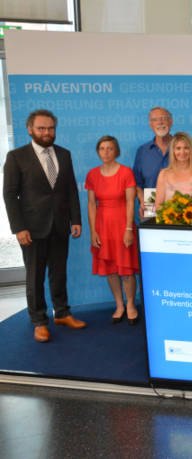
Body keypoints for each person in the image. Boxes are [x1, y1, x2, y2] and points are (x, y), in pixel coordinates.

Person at [3, 109, 84, 342]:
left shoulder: (64, 154)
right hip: (32, 228)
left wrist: (75, 220)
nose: (47, 132)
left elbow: (70, 190)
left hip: (60, 225)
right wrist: (19, 228)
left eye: (50, 128)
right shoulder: (17, 156)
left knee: (59, 273)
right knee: (35, 276)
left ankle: (62, 313)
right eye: (41, 128)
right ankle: (39, 321)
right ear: (30, 129)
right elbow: (9, 195)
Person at [85, 136, 139, 325]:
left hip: (123, 226)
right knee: (110, 269)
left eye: (109, 148)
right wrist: (93, 231)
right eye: (101, 148)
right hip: (102, 227)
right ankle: (119, 305)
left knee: (126, 269)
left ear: (116, 151)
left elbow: (131, 202)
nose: (105, 152)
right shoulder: (92, 174)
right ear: (98, 151)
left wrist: (128, 229)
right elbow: (92, 204)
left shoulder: (126, 172)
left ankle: (131, 305)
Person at [133, 107, 173, 219]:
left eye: (164, 118)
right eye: (155, 119)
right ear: (150, 125)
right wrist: (142, 200)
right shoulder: (142, 151)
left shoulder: (182, 149)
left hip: (178, 209)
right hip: (150, 208)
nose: (160, 122)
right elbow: (137, 182)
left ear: (171, 122)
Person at [155, 133, 192, 205]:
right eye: (178, 148)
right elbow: (159, 205)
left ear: (191, 150)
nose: (182, 152)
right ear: (173, 151)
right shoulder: (163, 173)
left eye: (186, 148)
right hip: (169, 216)